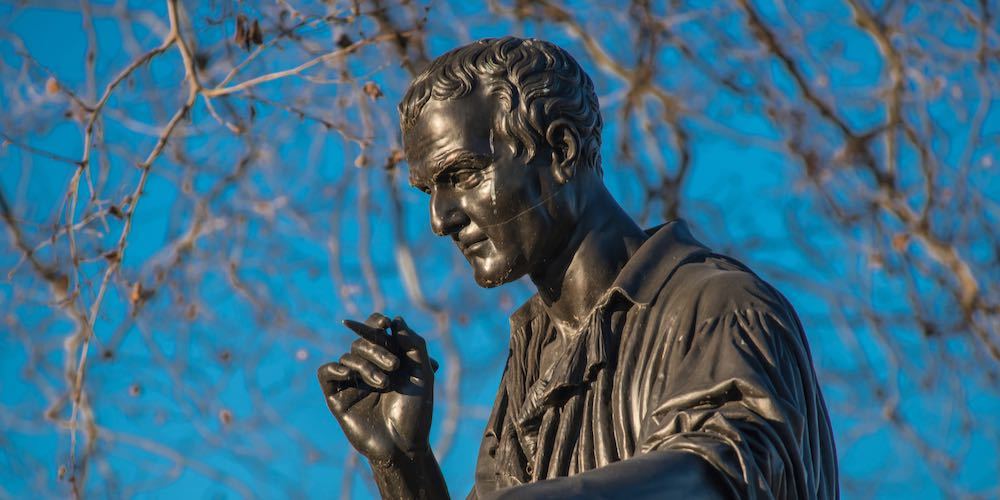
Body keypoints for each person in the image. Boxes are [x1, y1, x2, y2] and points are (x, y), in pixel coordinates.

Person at [317, 37, 838, 499]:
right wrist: (404, 464)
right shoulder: (529, 370)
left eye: (464, 174)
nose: (441, 218)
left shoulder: (717, 306)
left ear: (561, 150)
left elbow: (728, 473)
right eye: (430, 190)